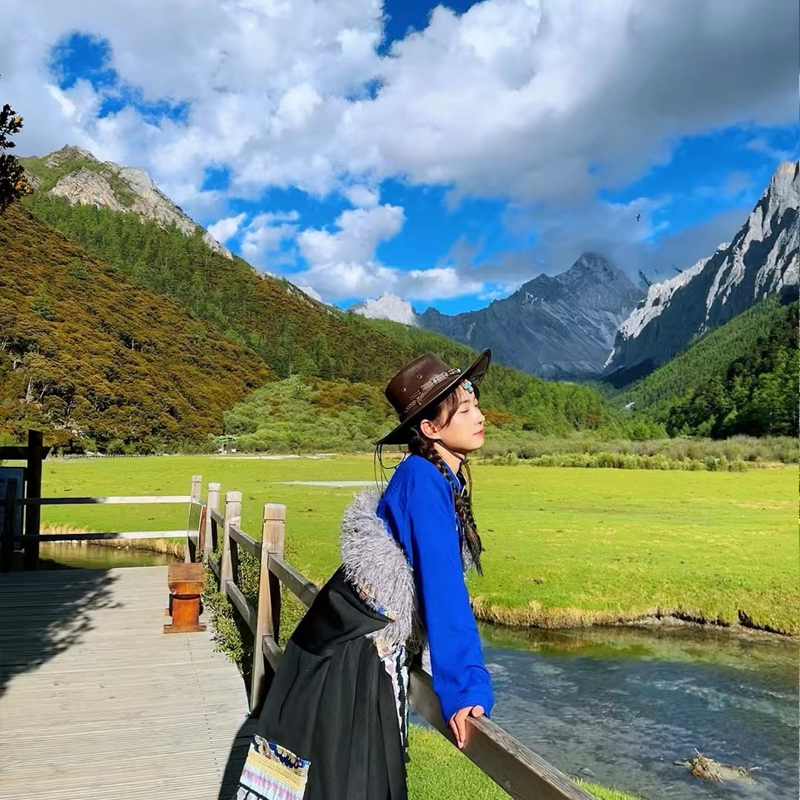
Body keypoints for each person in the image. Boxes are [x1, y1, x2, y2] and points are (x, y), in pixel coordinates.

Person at [234, 348, 494, 800]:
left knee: (322, 780)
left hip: (342, 639)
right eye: (465, 409)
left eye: (476, 404)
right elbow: (443, 590)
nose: (480, 416)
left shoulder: (430, 476)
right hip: (355, 656)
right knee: (353, 782)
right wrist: (466, 686)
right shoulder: (423, 479)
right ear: (430, 429)